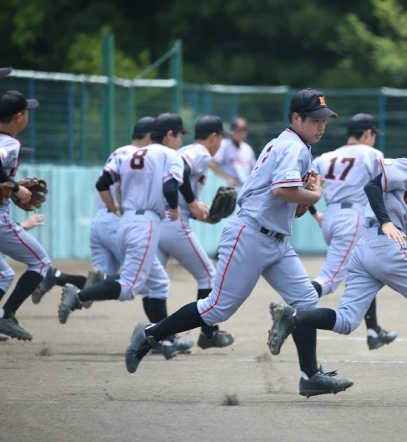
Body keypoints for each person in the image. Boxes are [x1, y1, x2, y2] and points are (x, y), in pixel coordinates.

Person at [125, 89, 354, 398]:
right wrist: (313, 195)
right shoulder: (293, 147)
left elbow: (283, 193)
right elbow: (282, 191)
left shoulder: (290, 144)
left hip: (275, 239)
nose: (321, 125)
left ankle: (310, 376)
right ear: (296, 118)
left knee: (305, 300)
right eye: (315, 120)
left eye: (324, 120)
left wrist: (301, 195)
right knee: (216, 308)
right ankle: (149, 334)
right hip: (250, 235)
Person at [267, 119, 407, 393]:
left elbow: (396, 215)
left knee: (347, 320)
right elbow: (372, 187)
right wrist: (386, 222)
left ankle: (294, 317)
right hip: (384, 248)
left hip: (365, 248)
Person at [57, 113, 194, 358]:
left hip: (125, 221)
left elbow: (102, 183)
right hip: (145, 223)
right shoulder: (169, 154)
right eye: (180, 135)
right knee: (129, 287)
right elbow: (169, 186)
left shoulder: (128, 154)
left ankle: (164, 340)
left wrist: (115, 209)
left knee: (158, 283)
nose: (181, 140)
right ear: (168, 135)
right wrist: (174, 208)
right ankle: (78, 295)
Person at [32, 117, 155, 305]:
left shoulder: (119, 151)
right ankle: (160, 326)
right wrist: (116, 209)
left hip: (101, 221)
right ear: (150, 136)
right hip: (119, 221)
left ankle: (56, 276)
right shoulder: (138, 157)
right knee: (148, 281)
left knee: (97, 287)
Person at [305, 113, 397, 350]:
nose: (374, 139)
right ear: (367, 134)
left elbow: (305, 185)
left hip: (330, 216)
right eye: (374, 134)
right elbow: (384, 188)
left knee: (365, 269)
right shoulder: (372, 154)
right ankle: (293, 305)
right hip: (352, 219)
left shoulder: (325, 157)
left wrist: (315, 214)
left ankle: (373, 330)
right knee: (329, 279)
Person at [156, 115, 235, 350]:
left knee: (155, 285)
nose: (221, 143)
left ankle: (158, 338)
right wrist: (192, 203)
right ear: (213, 137)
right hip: (174, 220)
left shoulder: (186, 150)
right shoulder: (200, 153)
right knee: (208, 276)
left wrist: (196, 208)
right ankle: (209, 334)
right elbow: (180, 172)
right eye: (221, 138)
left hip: (157, 219)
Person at [0, 90, 51, 341]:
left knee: (4, 275)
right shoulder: (10, 143)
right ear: (19, 117)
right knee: (40, 262)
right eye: (27, 112)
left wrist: (10, 187)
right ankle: (6, 316)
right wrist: (15, 188)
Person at [209, 116, 256, 195]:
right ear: (232, 131)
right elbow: (211, 163)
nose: (241, 134)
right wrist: (227, 178)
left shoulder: (248, 149)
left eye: (243, 131)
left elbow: (254, 170)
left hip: (244, 189)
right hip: (227, 189)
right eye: (238, 131)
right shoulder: (224, 145)